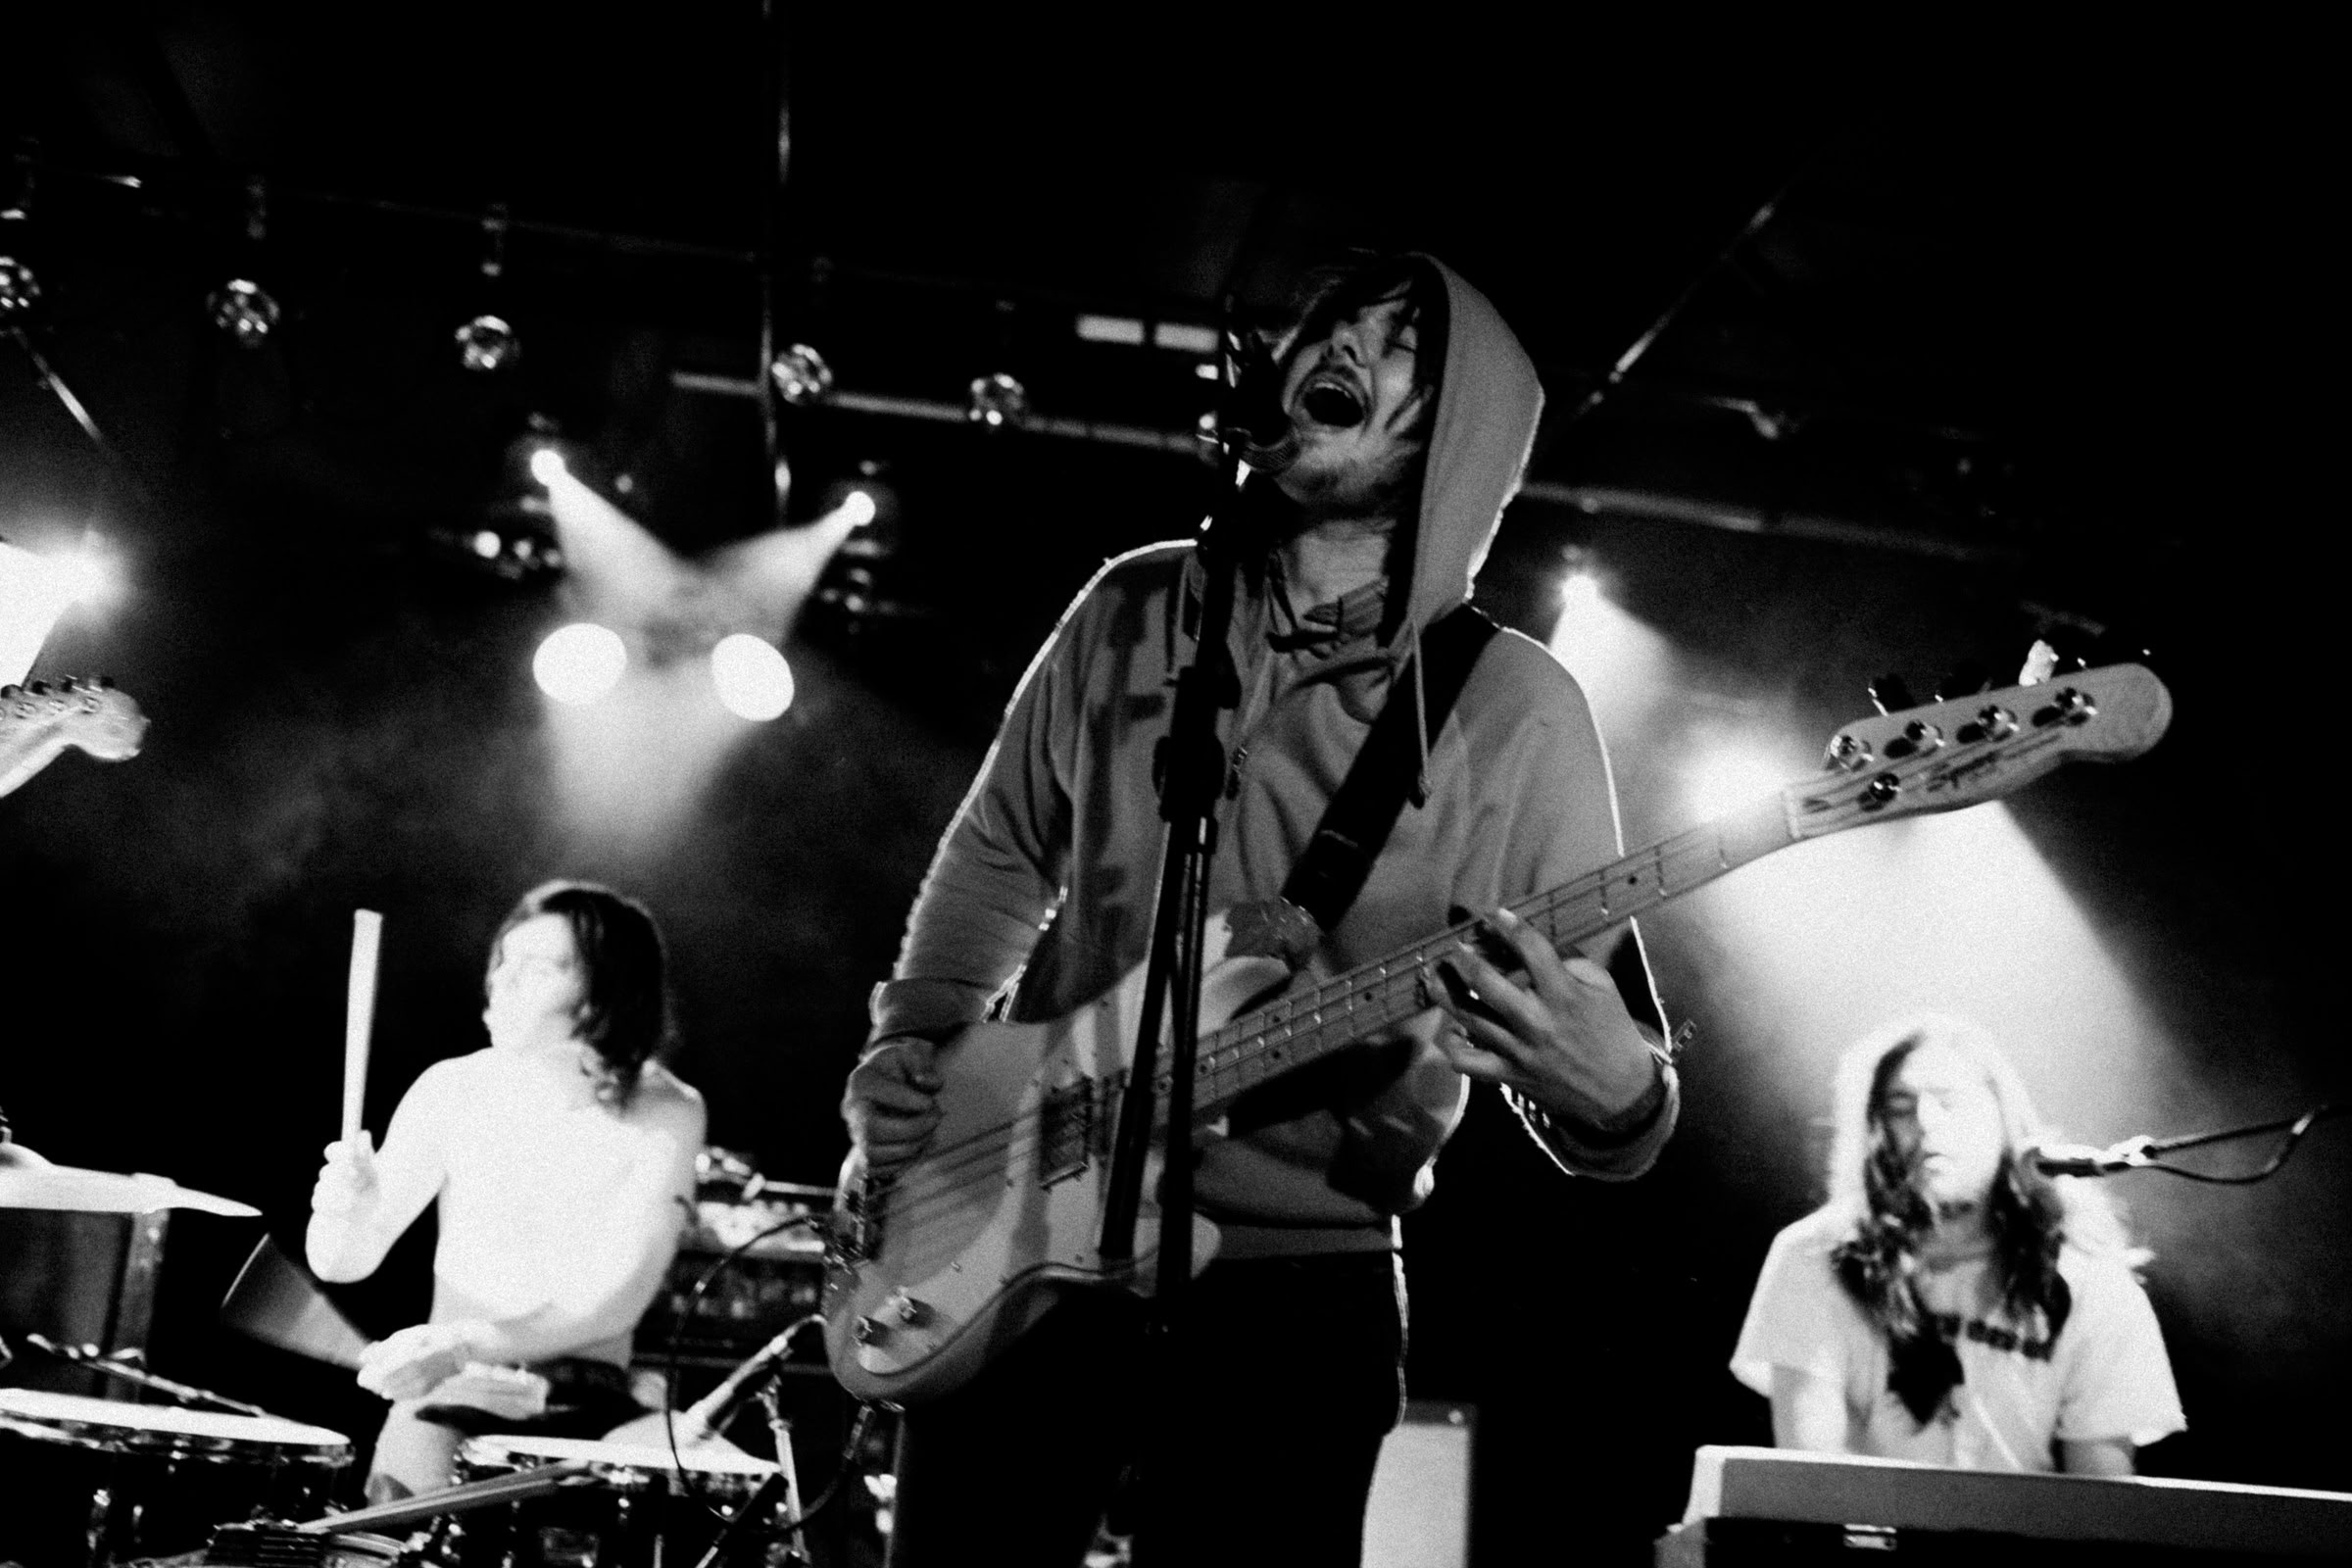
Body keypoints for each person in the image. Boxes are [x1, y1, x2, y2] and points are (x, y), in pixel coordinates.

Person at [842, 253, 1680, 1566]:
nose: (1336, 340)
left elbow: (1607, 1064)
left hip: (1297, 1287)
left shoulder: (1519, 712)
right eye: (1326, 325)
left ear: (1458, 434)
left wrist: (1619, 1096)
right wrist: (918, 1043)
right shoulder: (1133, 606)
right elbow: (1004, 851)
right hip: (1017, 1221)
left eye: (1398, 341)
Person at [307, 880, 706, 1499]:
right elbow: (340, 1262)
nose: (504, 981)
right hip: (457, 1389)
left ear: (604, 989)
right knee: (409, 1513)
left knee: (729, 1499)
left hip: (592, 1395)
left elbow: (615, 1301)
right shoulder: (453, 1088)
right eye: (504, 961)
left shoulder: (665, 1110)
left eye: (539, 966)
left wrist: (463, 1341)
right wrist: (341, 1210)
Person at [1731, 1014, 2184, 1475]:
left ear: (2004, 1121)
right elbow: (1812, 1479)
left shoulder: (2090, 1279)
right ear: (1875, 1130)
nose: (1926, 1124)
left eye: (1949, 1102)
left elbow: (2101, 1504)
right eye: (1901, 1108)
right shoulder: (1815, 1256)